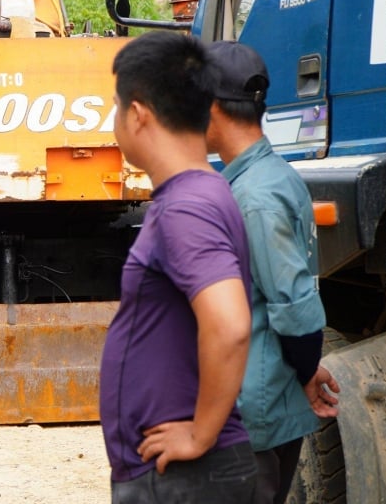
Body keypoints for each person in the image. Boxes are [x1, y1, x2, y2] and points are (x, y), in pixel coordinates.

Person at [101, 31, 257, 503]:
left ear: (138, 113)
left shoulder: (186, 207)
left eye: (115, 105)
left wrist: (200, 434)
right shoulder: (203, 192)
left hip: (186, 481)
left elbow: (229, 325)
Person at [204, 40, 341, 504]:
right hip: (268, 399)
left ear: (211, 107)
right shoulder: (272, 177)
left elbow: (293, 306)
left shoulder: (254, 198)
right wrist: (305, 367)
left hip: (251, 417)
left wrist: (306, 368)